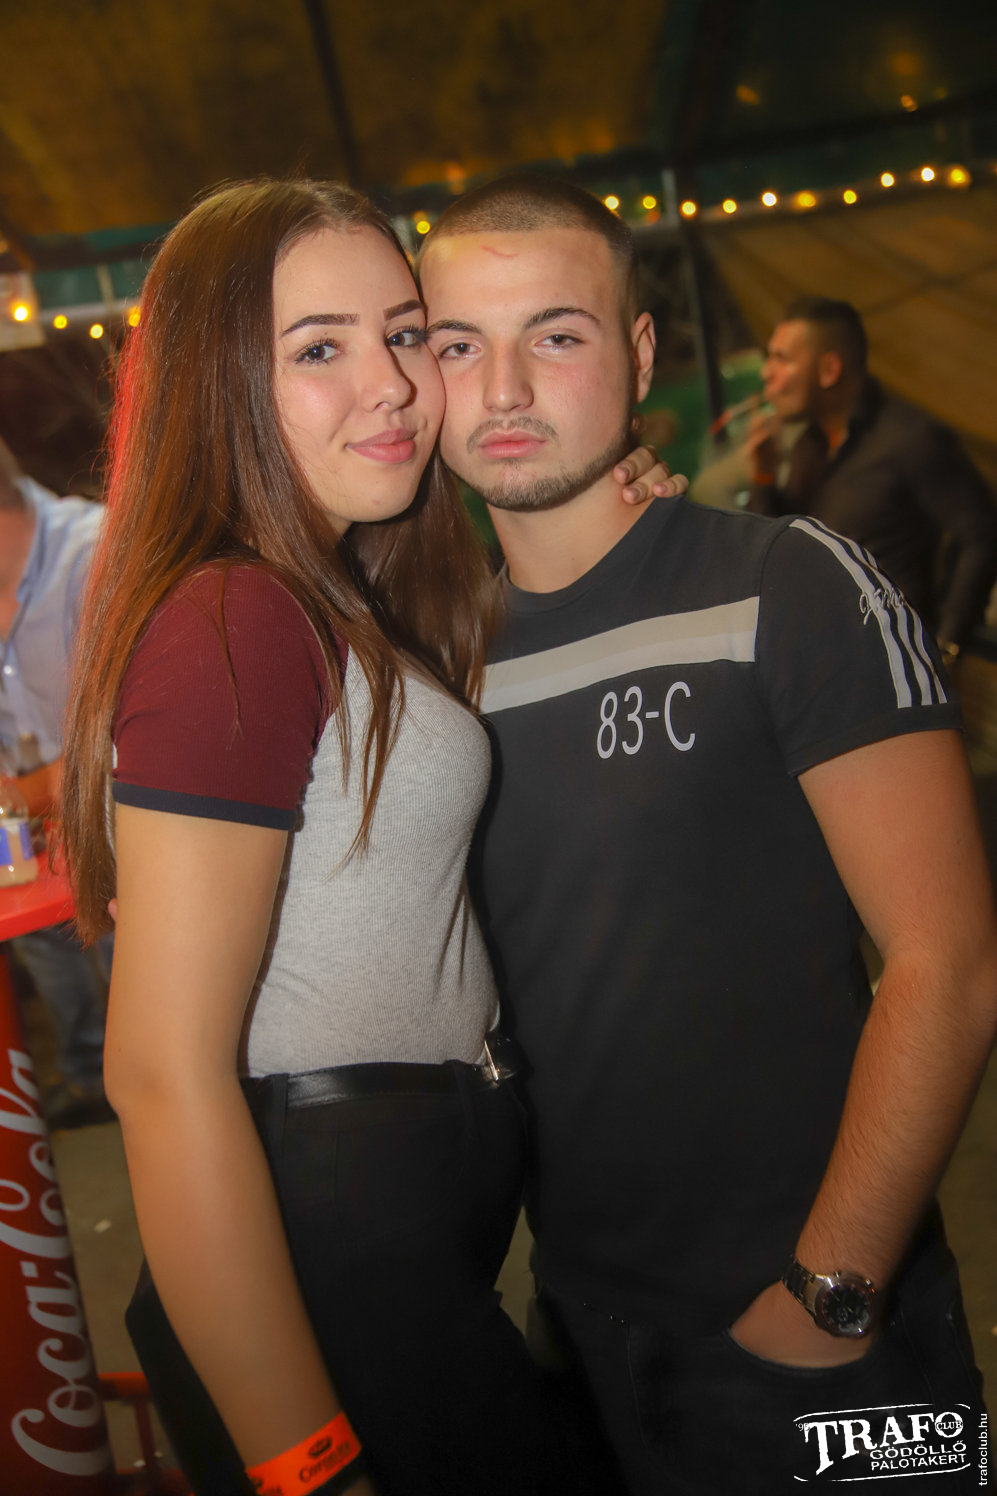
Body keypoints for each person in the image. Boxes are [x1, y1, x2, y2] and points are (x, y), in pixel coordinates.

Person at [60, 178, 676, 1496]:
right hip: (322, 1247)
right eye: (318, 349)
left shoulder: (334, 596)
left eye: (404, 334)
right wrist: (308, 1463)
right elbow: (160, 1074)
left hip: (391, 1236)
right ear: (220, 384)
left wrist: (602, 510)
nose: (391, 383)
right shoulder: (237, 618)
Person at [417, 175, 997, 1494]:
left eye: (555, 334)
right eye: (458, 344)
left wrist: (831, 1289)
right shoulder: (436, 672)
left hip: (830, 1332)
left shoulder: (787, 584)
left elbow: (950, 964)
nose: (503, 387)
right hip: (580, 1334)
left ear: (637, 355)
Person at [744, 296, 997, 665]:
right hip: (830, 660)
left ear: (829, 370)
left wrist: (947, 644)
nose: (767, 373)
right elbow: (780, 552)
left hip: (897, 662)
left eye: (781, 359)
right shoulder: (809, 447)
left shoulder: (909, 438)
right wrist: (763, 475)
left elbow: (981, 533)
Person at [0, 437, 114, 1129]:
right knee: (42, 936)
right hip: (36, 856)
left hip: (133, 837)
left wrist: (21, 796)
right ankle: (87, 1079)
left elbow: (127, 742)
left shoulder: (97, 555)